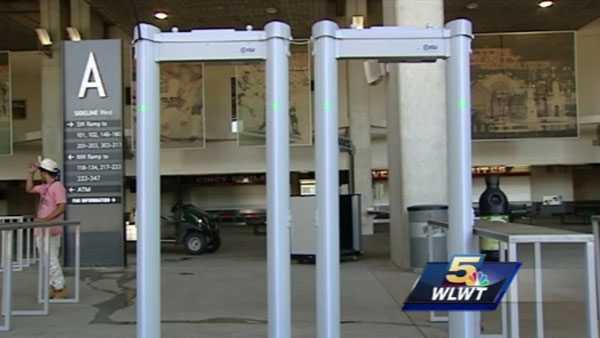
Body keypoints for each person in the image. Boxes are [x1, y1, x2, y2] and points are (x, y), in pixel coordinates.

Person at [25, 158, 67, 299]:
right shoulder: (45, 187)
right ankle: (54, 287)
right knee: (45, 260)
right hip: (42, 230)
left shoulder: (57, 186)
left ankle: (59, 288)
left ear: (44, 172)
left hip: (50, 229)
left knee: (51, 260)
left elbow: (61, 207)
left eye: (41, 172)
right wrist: (30, 173)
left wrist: (45, 220)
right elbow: (29, 189)